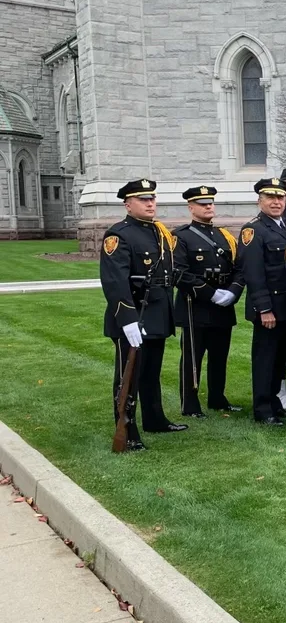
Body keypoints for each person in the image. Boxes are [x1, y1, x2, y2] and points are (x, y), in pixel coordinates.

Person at [100, 178, 187, 450]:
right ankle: (127, 429)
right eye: (143, 199)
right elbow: (115, 281)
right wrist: (127, 319)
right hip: (134, 315)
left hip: (158, 313)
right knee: (129, 375)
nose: (150, 203)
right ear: (128, 204)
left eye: (152, 198)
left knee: (151, 372)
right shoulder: (119, 234)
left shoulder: (158, 233)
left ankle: (154, 418)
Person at [172, 186, 243, 418]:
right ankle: (190, 404)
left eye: (210, 203)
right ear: (191, 207)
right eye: (202, 204)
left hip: (223, 304)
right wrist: (210, 293)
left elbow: (238, 267)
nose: (208, 206)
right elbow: (179, 272)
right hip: (196, 305)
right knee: (193, 357)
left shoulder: (225, 236)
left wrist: (232, 291)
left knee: (219, 355)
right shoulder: (180, 236)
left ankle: (217, 398)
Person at [238, 177, 286, 425]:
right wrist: (264, 309)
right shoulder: (254, 230)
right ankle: (263, 409)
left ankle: (274, 402)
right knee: (265, 360)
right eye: (270, 197)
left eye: (280, 197)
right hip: (269, 309)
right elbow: (253, 273)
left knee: (279, 359)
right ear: (259, 200)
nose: (276, 202)